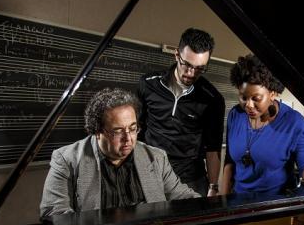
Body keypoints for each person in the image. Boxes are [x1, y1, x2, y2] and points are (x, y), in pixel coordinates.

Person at [40, 88, 200, 218]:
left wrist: (212, 206)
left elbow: (182, 197)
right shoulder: (67, 160)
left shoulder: (156, 157)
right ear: (97, 131)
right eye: (118, 131)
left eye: (132, 128)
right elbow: (54, 214)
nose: (128, 138)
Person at [221, 54, 304, 195]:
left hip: (276, 206)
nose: (248, 105)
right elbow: (230, 163)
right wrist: (222, 201)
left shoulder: (294, 122)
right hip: (238, 203)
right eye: (243, 97)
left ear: (273, 94)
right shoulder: (235, 115)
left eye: (256, 98)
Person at [137, 28, 225, 197]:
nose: (191, 73)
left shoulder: (212, 99)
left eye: (200, 68)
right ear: (176, 55)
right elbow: (137, 131)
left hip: (190, 179)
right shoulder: (148, 84)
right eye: (187, 65)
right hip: (150, 174)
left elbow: (213, 149)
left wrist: (213, 187)